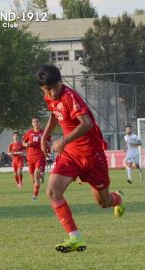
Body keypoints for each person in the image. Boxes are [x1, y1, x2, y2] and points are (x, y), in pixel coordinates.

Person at [36, 64, 125, 253]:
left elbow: (87, 123)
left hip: (92, 156)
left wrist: (64, 139)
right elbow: (54, 113)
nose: (51, 93)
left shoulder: (70, 96)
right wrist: (45, 136)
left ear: (61, 82)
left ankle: (117, 199)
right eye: (46, 89)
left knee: (103, 203)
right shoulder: (49, 96)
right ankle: (75, 238)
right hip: (70, 155)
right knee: (52, 191)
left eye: (53, 87)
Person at [23, 116, 50, 200]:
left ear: (39, 122)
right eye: (34, 122)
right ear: (32, 123)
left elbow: (48, 142)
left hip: (40, 156)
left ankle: (35, 195)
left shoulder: (44, 132)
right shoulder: (29, 132)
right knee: (34, 180)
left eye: (37, 121)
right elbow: (23, 143)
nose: (35, 123)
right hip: (30, 157)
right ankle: (41, 175)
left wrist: (47, 149)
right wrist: (26, 144)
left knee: (36, 173)